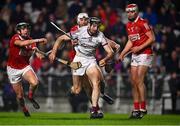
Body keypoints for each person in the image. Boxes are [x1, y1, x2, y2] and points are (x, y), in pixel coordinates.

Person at [49, 17, 113, 119]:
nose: (96, 28)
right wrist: (53, 52)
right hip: (78, 60)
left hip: (90, 60)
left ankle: (94, 110)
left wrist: (105, 59)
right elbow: (60, 39)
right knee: (77, 90)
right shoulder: (79, 31)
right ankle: (72, 90)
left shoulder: (100, 35)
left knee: (96, 83)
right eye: (94, 26)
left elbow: (110, 52)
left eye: (98, 26)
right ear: (89, 25)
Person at [118, 4, 155, 119]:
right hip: (135, 55)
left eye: (132, 11)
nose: (129, 13)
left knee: (139, 79)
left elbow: (152, 38)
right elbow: (130, 41)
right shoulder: (128, 25)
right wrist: (123, 53)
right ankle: (136, 109)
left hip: (145, 53)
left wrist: (139, 48)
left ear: (136, 12)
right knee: (133, 82)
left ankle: (143, 108)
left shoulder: (143, 22)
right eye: (127, 12)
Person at [6, 22, 47, 117]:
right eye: (24, 28)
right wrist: (39, 39)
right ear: (19, 31)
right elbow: (22, 43)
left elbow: (35, 50)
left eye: (27, 28)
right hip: (13, 69)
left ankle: (30, 96)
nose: (26, 30)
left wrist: (38, 54)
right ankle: (24, 109)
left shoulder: (31, 40)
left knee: (35, 83)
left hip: (25, 66)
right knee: (20, 96)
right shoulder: (15, 38)